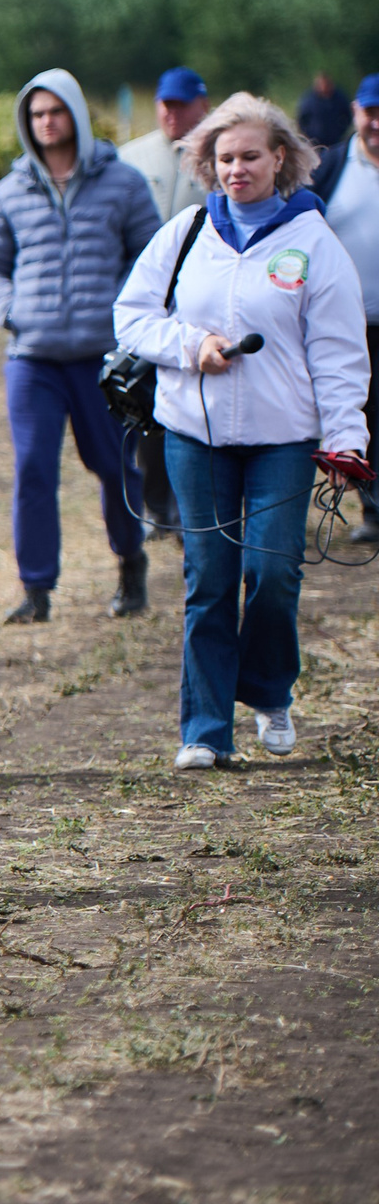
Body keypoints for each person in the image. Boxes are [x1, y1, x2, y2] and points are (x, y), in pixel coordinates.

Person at [112, 94, 368, 768]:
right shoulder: (187, 231)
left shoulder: (313, 241)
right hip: (193, 435)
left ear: (280, 158)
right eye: (224, 157)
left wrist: (348, 439)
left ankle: (269, 690)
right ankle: (204, 729)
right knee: (210, 579)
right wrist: (190, 344)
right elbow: (131, 317)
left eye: (250, 155)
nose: (236, 168)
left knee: (273, 571)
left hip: (283, 437)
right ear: (208, 162)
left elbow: (339, 352)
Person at [0, 70, 161, 623]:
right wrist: (10, 311)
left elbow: (148, 255)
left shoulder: (122, 183)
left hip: (102, 357)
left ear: (75, 114)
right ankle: (36, 589)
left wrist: (121, 309)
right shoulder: (9, 192)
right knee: (33, 468)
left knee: (113, 464)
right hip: (33, 358)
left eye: (56, 111)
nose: (46, 121)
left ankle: (130, 563)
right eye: (36, 114)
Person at [119, 66, 215, 535]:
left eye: (180, 105)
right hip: (149, 306)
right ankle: (156, 504)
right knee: (147, 409)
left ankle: (190, 504)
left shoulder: (222, 158)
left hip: (204, 308)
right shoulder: (132, 158)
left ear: (203, 106)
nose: (169, 113)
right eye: (164, 103)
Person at [310, 76, 379, 540]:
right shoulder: (331, 167)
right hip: (349, 323)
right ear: (356, 111)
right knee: (362, 415)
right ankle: (372, 510)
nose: (376, 122)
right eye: (370, 112)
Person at [298, 72, 352, 150]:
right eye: (321, 84)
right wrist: (309, 134)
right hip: (316, 143)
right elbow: (302, 119)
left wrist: (341, 130)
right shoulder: (309, 100)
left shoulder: (339, 98)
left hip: (335, 142)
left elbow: (348, 115)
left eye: (326, 84)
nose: (324, 87)